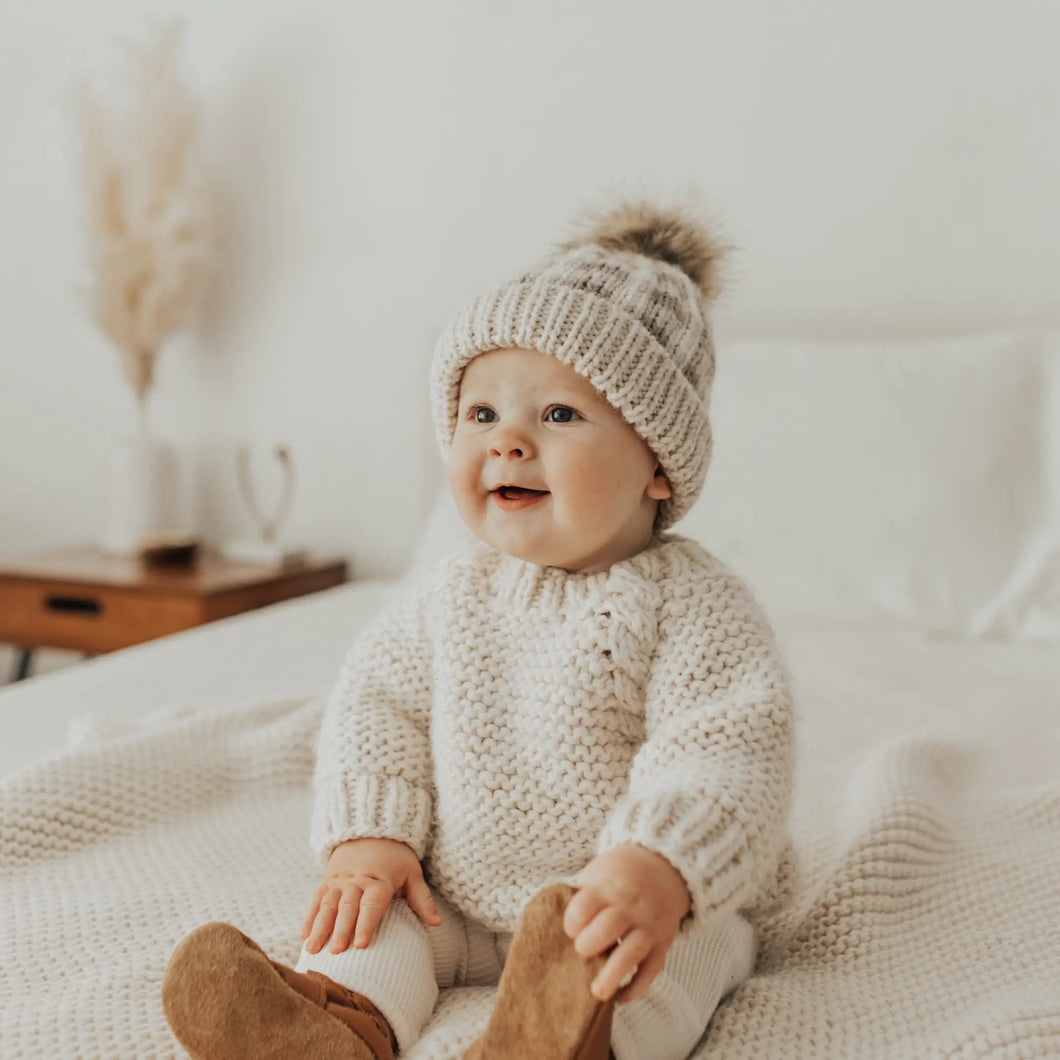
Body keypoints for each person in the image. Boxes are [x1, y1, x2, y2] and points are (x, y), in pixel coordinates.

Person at [162, 195, 796, 1060]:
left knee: (670, 956)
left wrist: (660, 865)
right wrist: (373, 838)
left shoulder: (695, 607)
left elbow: (726, 746)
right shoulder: (447, 595)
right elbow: (379, 706)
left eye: (559, 415)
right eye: (482, 414)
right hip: (453, 894)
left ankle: (572, 1034)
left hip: (624, 897)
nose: (507, 444)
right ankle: (332, 1023)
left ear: (657, 460)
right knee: (373, 916)